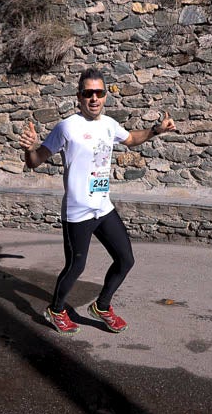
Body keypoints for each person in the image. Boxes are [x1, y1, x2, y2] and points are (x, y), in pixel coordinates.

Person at [18, 68, 176, 335]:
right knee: (76, 266)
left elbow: (131, 139)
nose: (94, 98)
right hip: (78, 212)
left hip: (103, 207)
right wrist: (29, 150)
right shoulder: (66, 127)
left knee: (125, 259)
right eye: (88, 93)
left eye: (99, 93)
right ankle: (56, 310)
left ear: (105, 96)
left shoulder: (109, 124)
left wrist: (155, 130)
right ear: (79, 97)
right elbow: (35, 161)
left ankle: (101, 307)